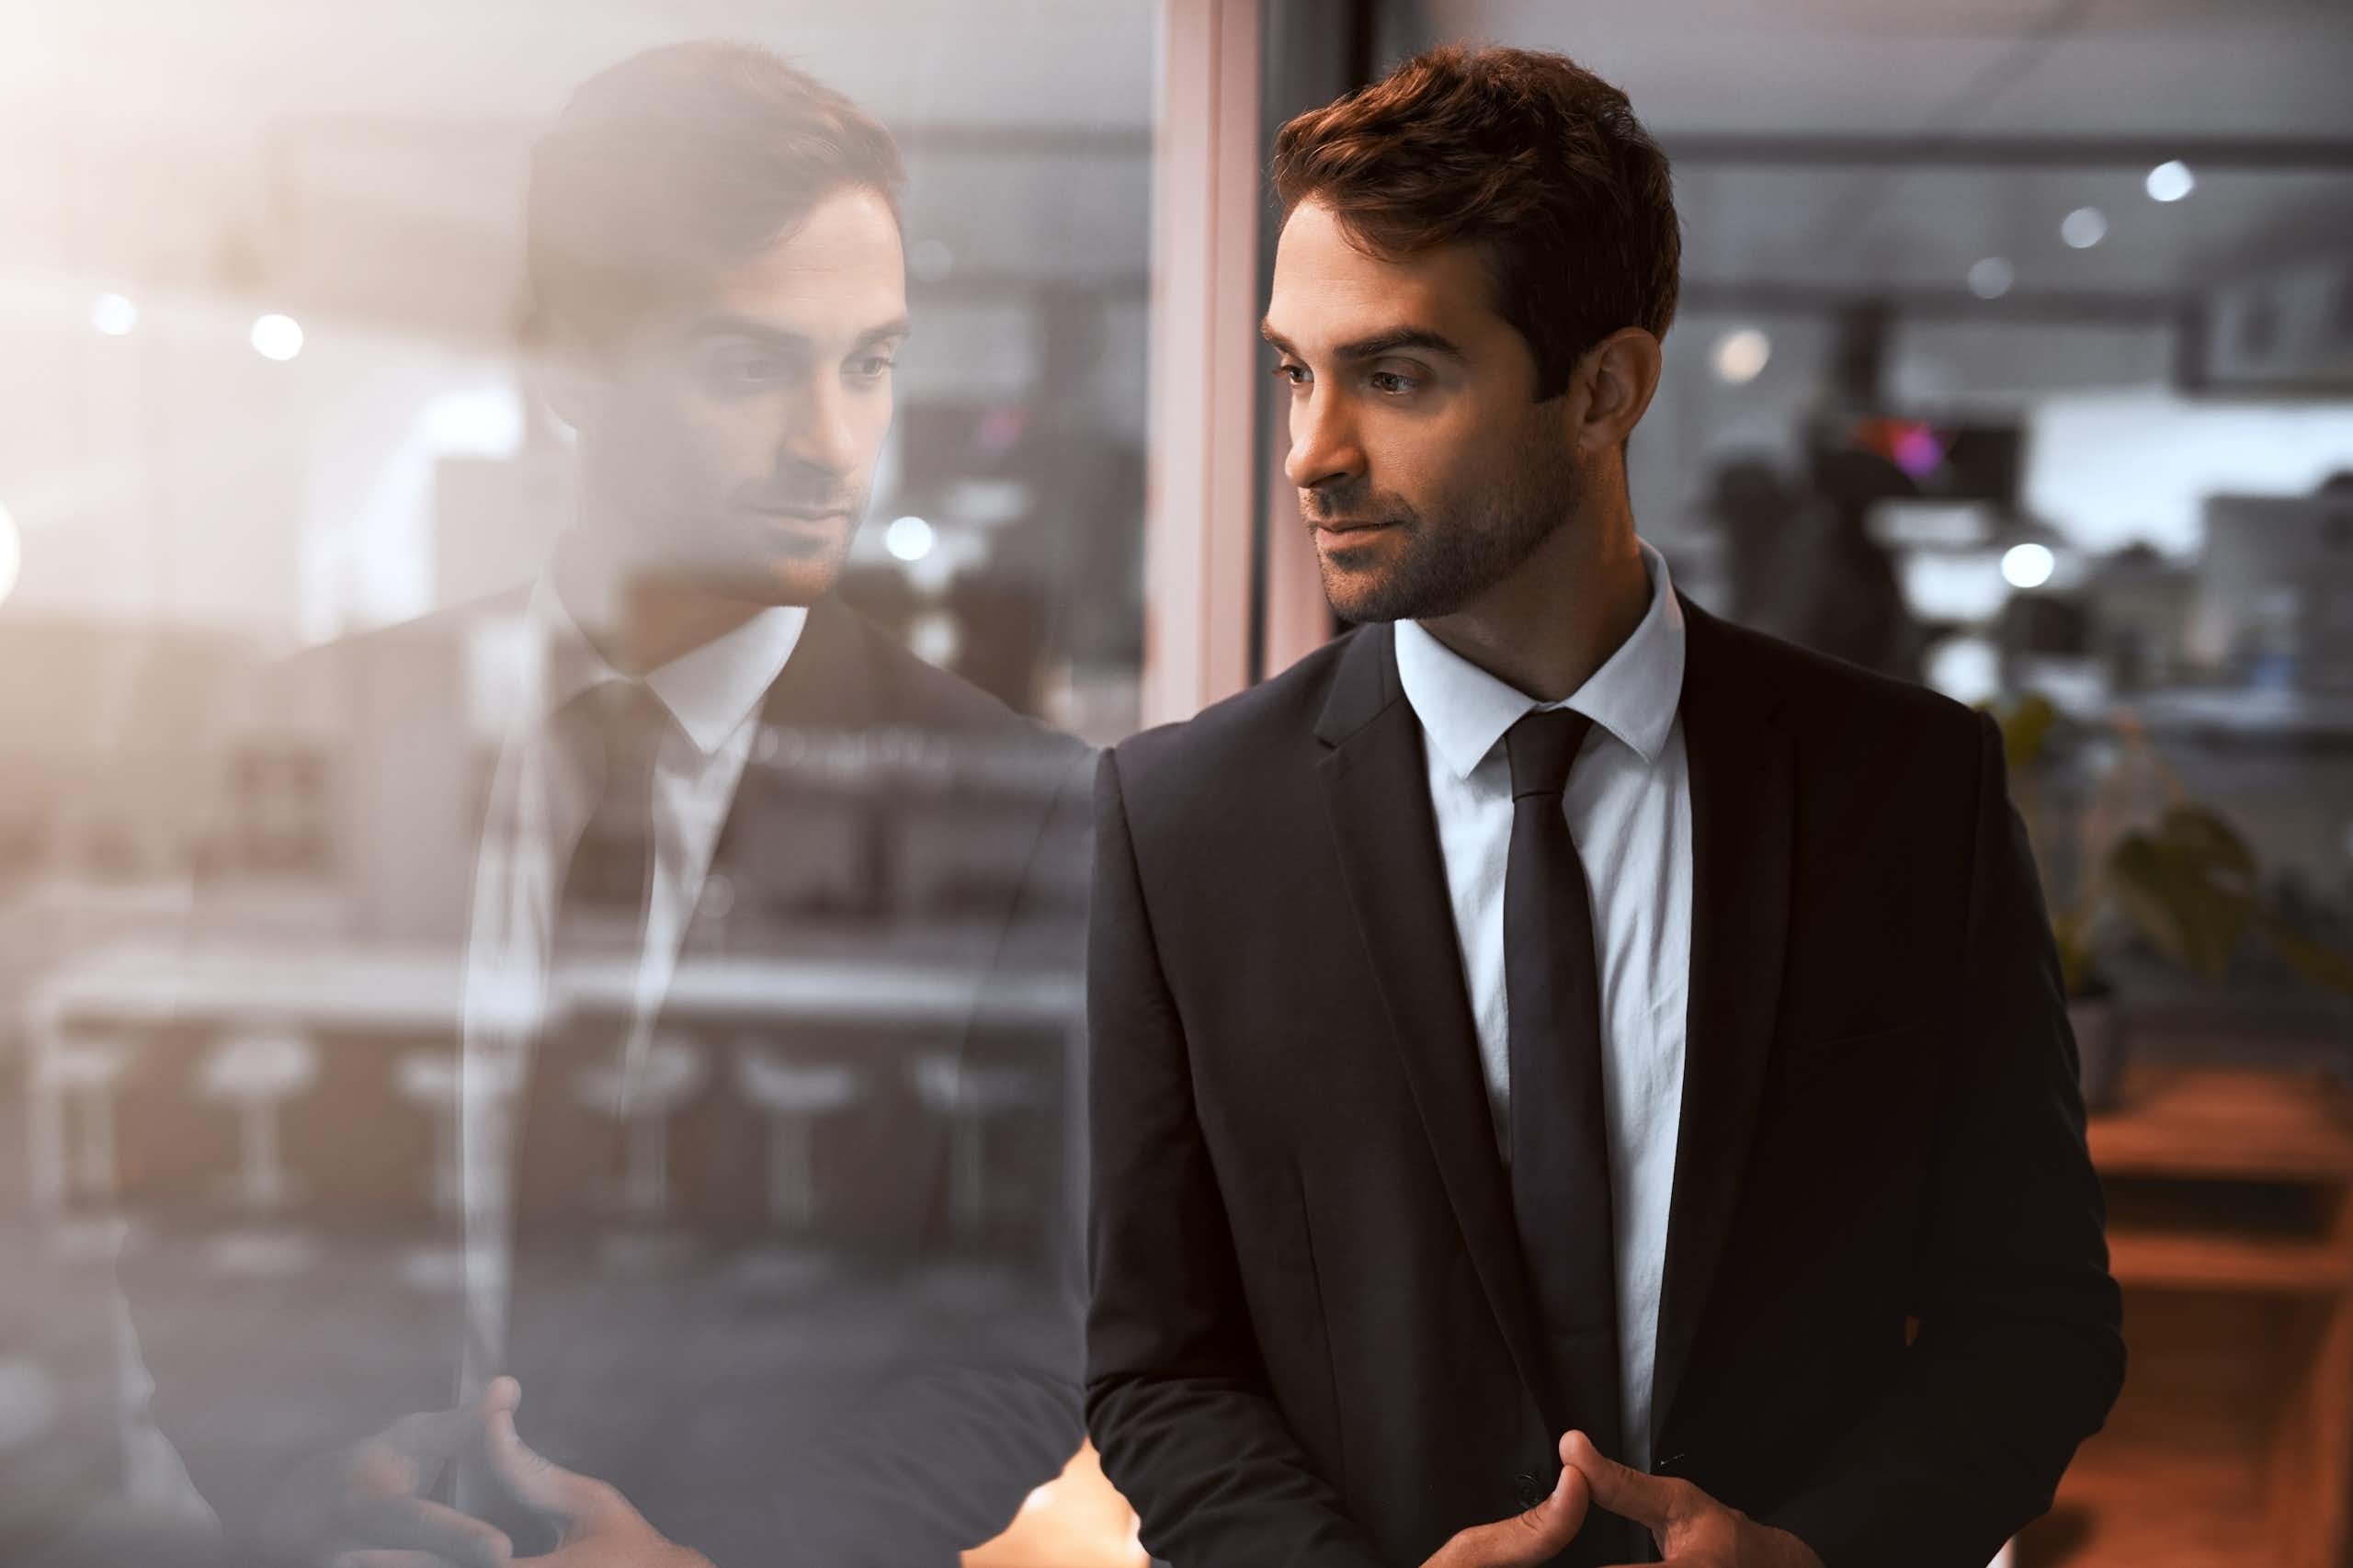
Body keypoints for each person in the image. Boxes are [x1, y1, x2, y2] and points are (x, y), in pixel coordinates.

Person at [1084, 44, 2122, 1568]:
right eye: (1296, 371)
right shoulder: (1182, 822)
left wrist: (1816, 1556)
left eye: (1395, 376)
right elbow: (1158, 1364)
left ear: (1605, 389)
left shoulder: (1908, 791)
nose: (1311, 452)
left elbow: (2033, 1319)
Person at [122, 40, 1089, 1568]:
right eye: (749, 365)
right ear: (564, 368)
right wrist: (305, 1484)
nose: (832, 444)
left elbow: (1023, 1342)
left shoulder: (1016, 809)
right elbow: (187, 1197)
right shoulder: (320, 732)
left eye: (869, 363)